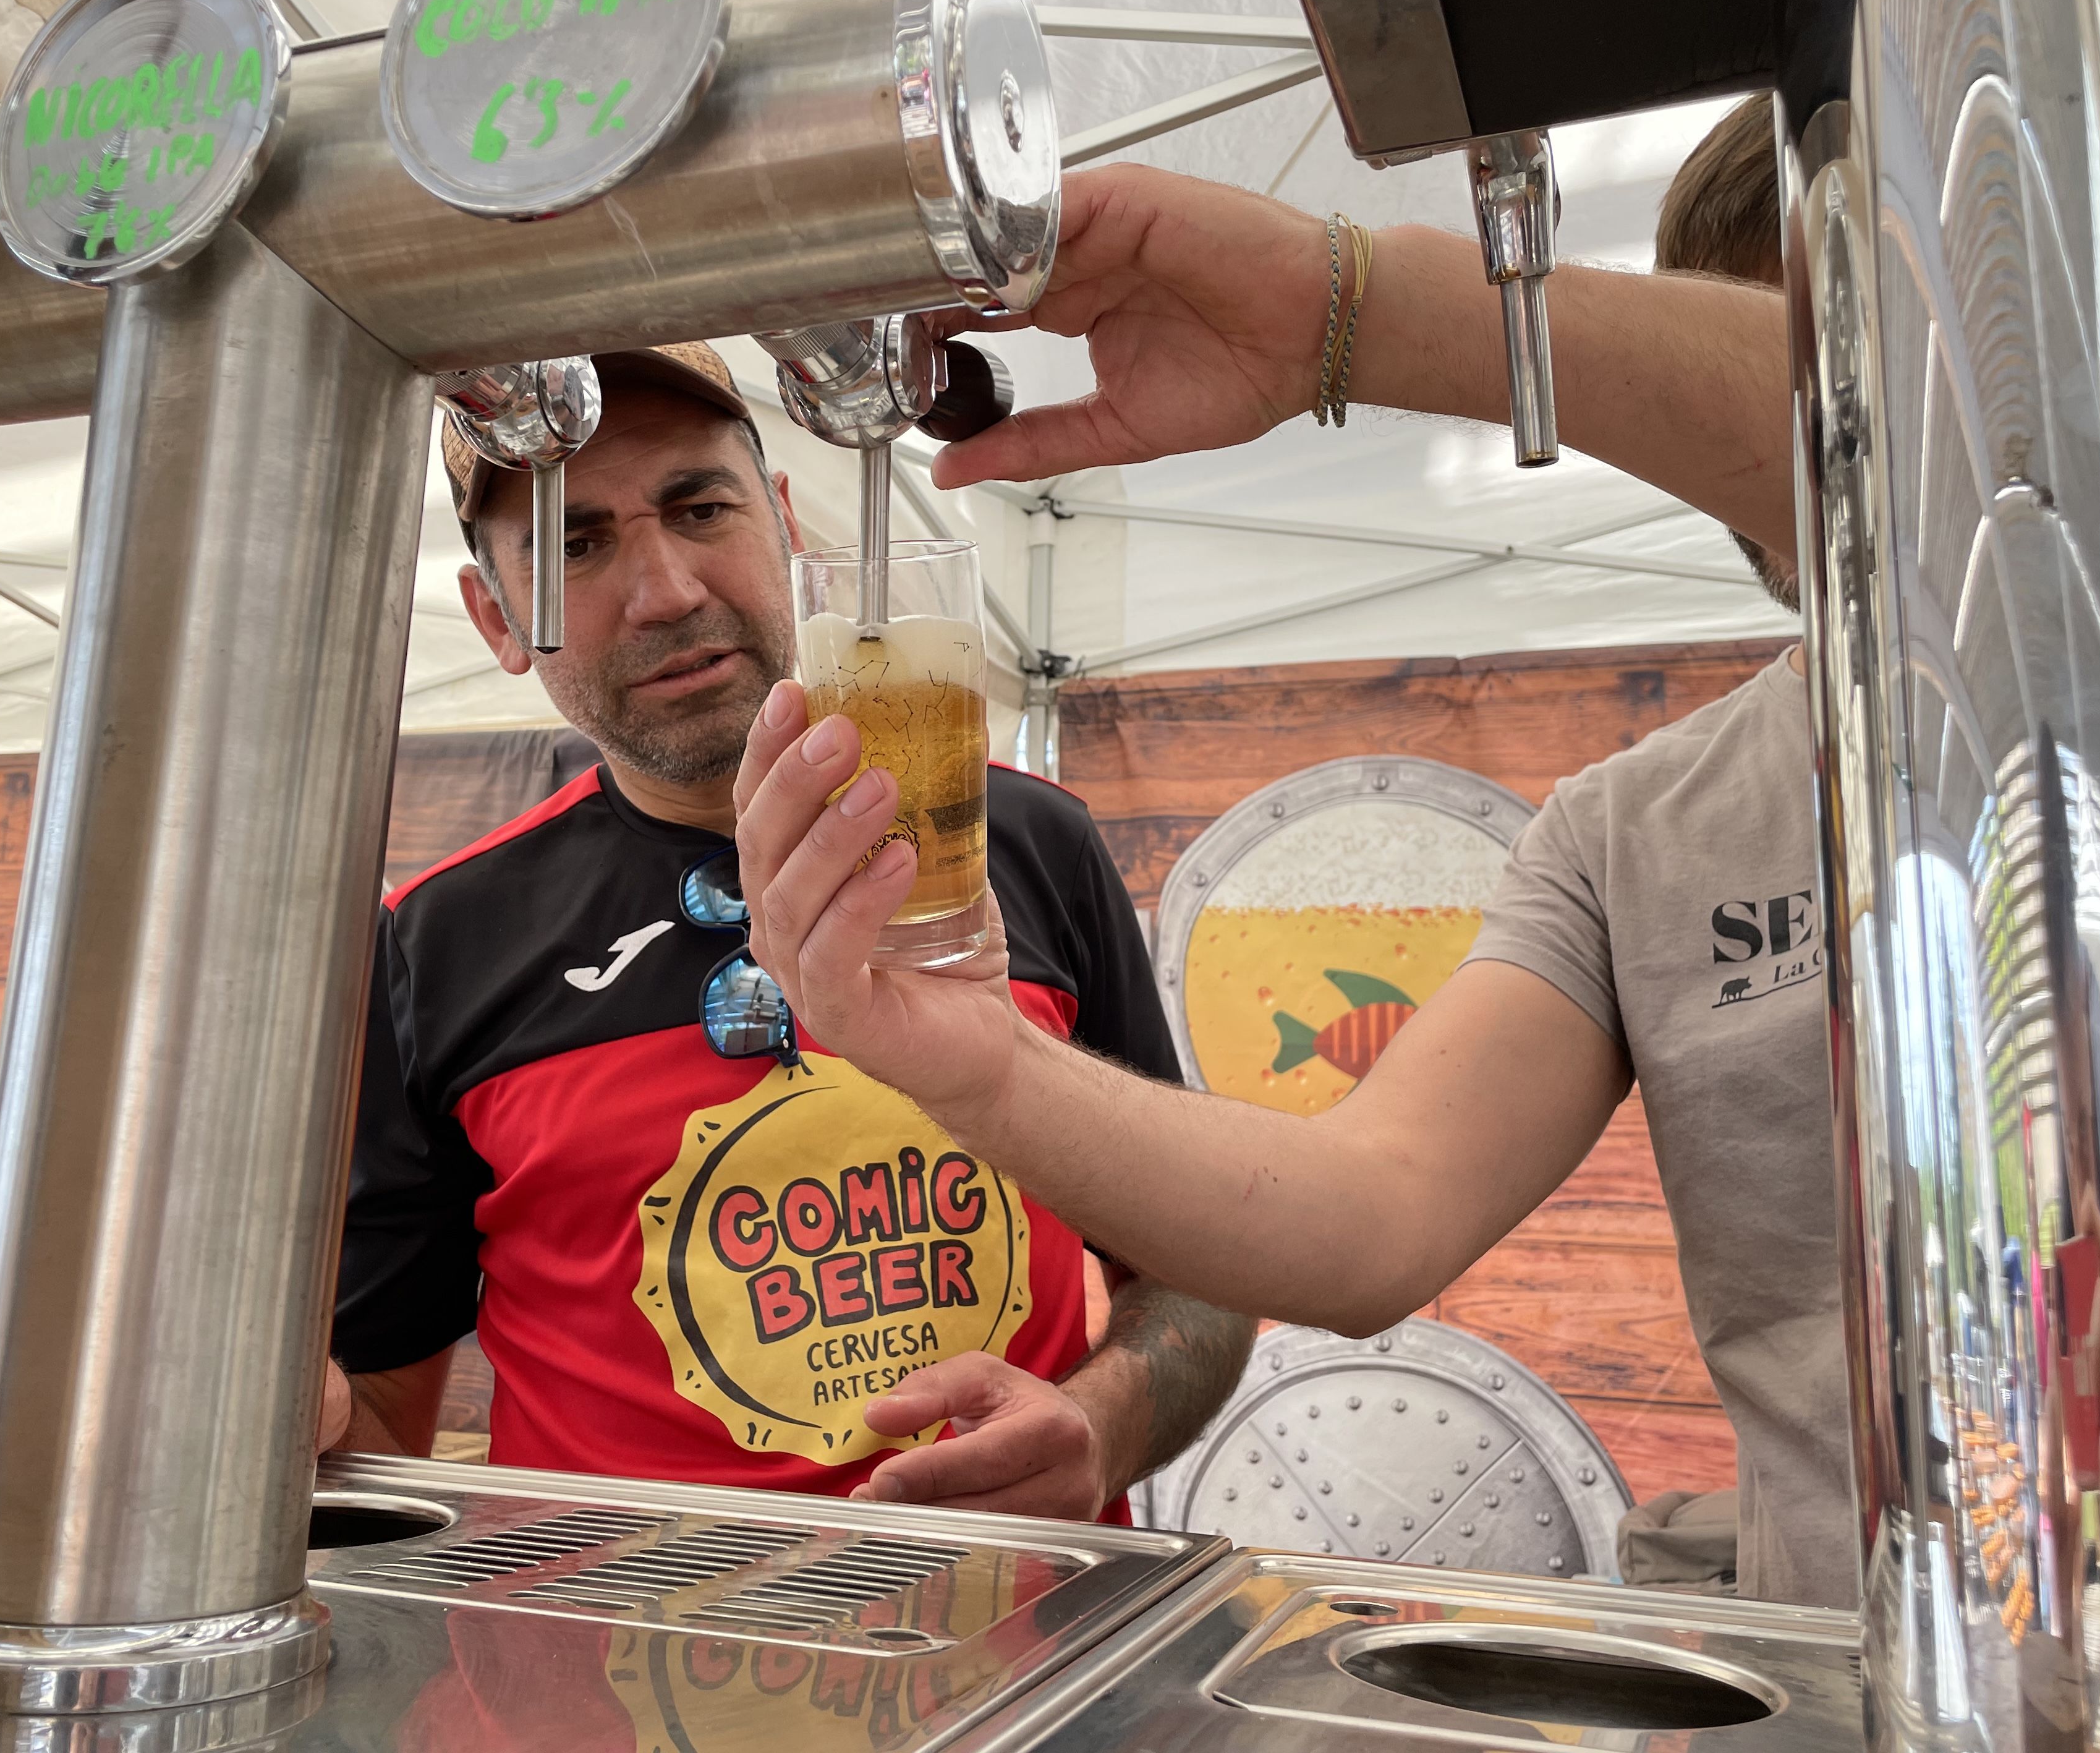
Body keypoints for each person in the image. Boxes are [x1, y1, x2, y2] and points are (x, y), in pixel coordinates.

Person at [734, 113, 1863, 1608]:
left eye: (1819, 354)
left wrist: (1356, 311)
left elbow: (1936, 479)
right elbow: (1368, 1216)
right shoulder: (1634, 831)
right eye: (1723, 356)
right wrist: (977, 1062)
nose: (1780, 429)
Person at [317, 341, 1253, 1522]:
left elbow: (1200, 1274)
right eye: (578, 542)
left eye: (701, 507)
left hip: (1013, 1658)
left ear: (790, 527)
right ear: (498, 618)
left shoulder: (1023, 845)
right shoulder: (434, 942)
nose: (666, 591)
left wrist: (1102, 1427)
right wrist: (297, 1424)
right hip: (595, 1670)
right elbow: (381, 1422)